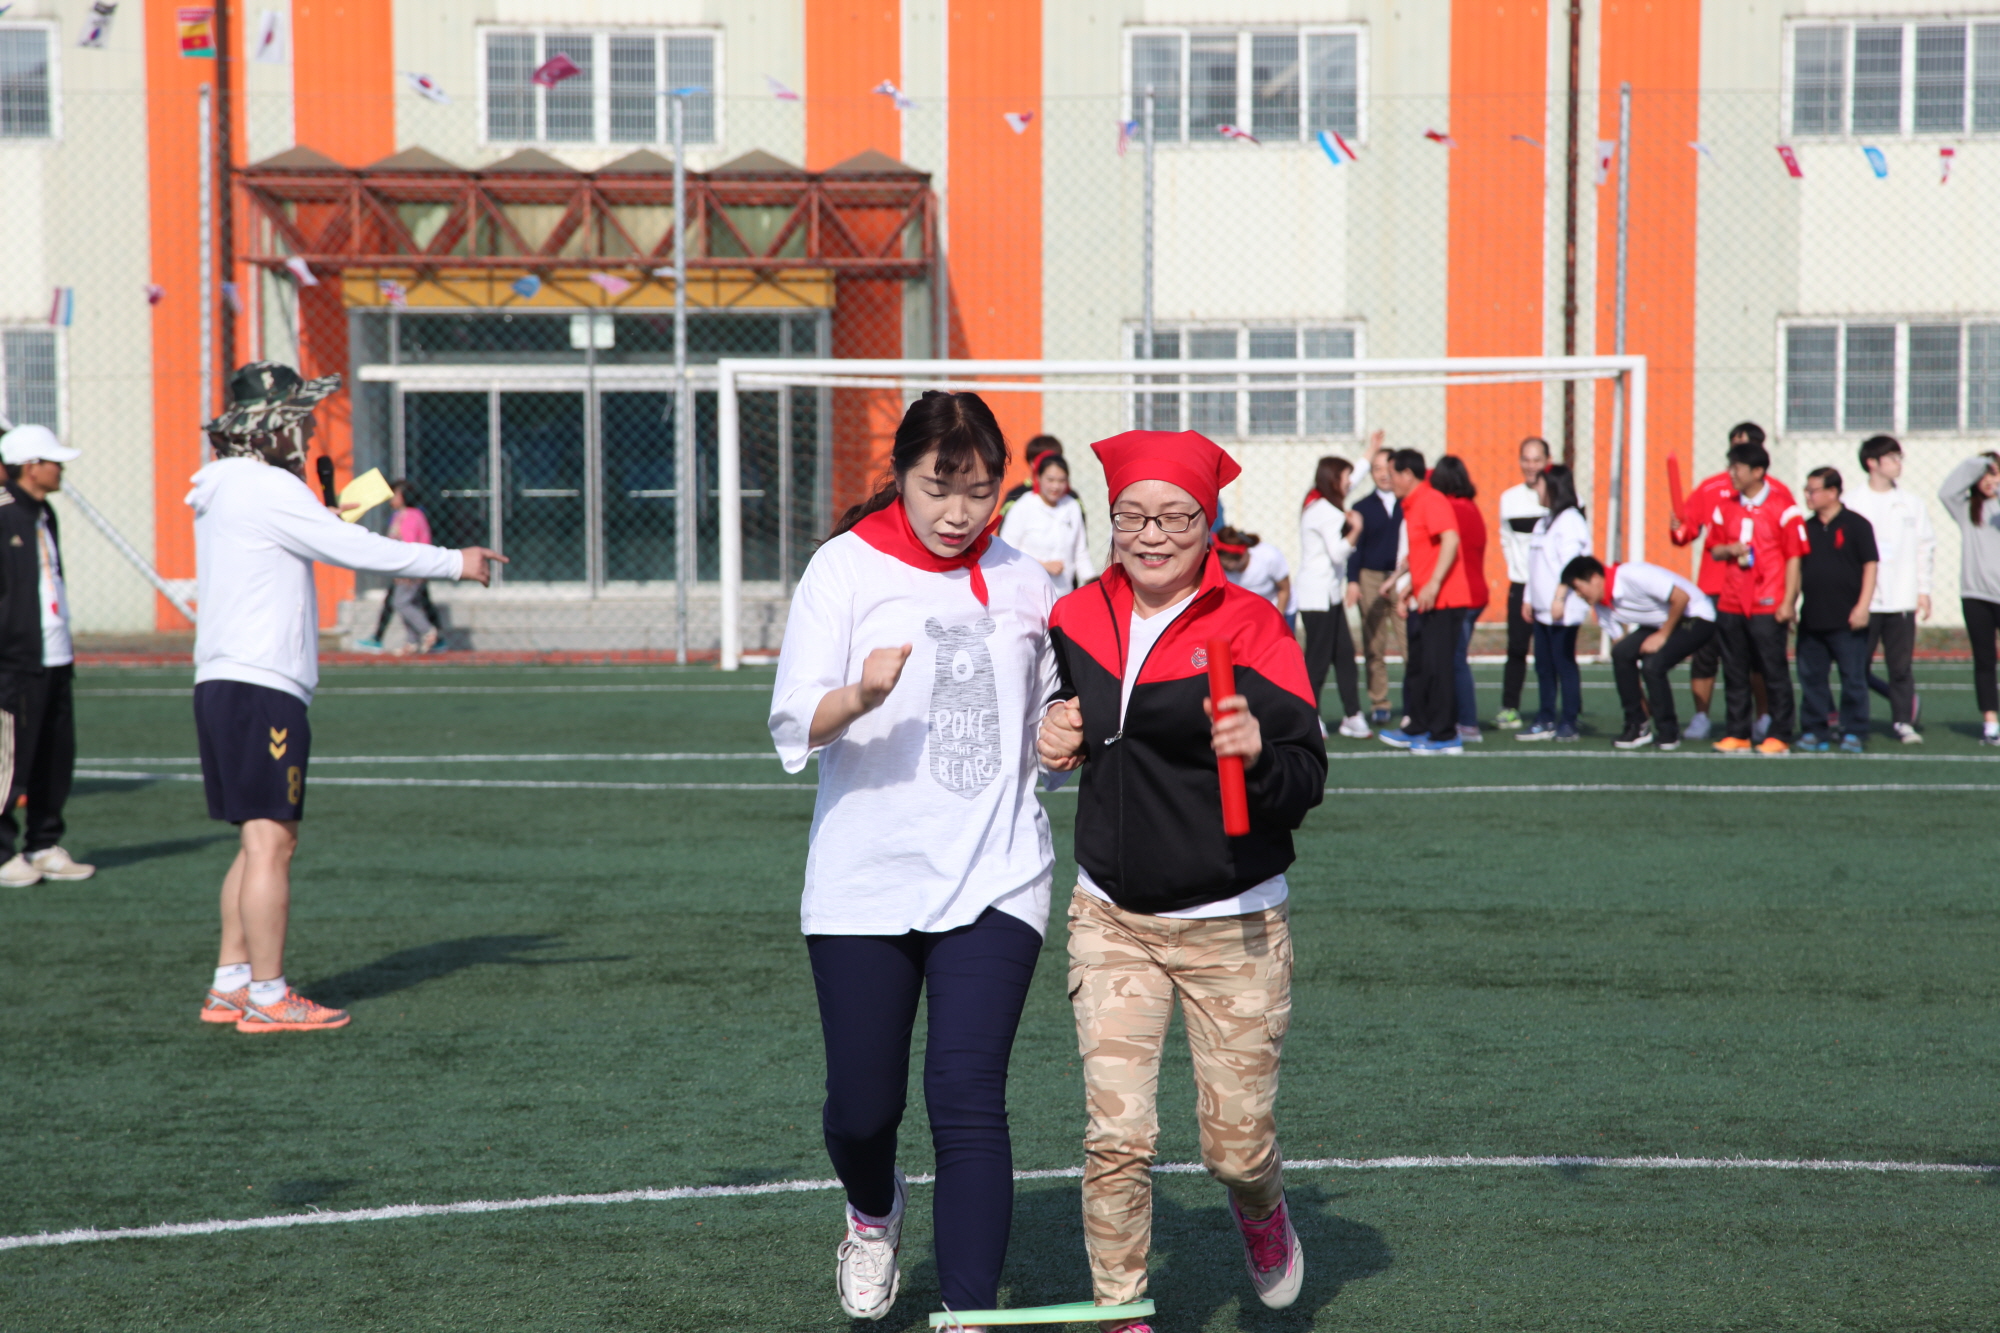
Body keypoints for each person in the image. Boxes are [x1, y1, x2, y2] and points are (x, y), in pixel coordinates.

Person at [768, 392, 1055, 1327]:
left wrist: (1066, 735)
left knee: (967, 1095)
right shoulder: (844, 567)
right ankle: (872, 1209)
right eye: (940, 487)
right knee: (861, 1110)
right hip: (864, 879)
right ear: (900, 475)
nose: (959, 511)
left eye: (980, 490)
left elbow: (1054, 720)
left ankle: (970, 1315)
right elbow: (794, 721)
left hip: (997, 873)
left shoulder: (1027, 581)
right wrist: (859, 694)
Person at [1037, 428, 1326, 1328]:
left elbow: (1306, 776)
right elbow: (1064, 724)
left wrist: (1260, 755)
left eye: (1175, 517)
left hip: (1234, 923)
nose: (1152, 534)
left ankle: (1262, 1207)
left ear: (1209, 524)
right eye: (1133, 516)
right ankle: (1121, 1311)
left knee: (1235, 1148)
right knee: (1116, 1136)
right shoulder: (1075, 616)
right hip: (1112, 916)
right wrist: (1054, 734)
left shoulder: (1254, 626)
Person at [192, 362, 504, 1034]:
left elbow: (309, 534)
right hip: (261, 683)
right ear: (270, 427)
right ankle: (268, 996)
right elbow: (353, 547)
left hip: (226, 682)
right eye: (299, 420)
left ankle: (231, 983)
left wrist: (320, 515)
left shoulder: (228, 486)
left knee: (256, 840)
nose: (308, 433)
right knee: (272, 842)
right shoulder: (266, 486)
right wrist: (456, 560)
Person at [0, 424, 93, 887]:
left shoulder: (44, 513)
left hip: (54, 655)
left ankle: (43, 843)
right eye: (54, 461)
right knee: (9, 761)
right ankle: (2, 853)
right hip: (14, 661)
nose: (61, 470)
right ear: (31, 466)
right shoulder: (3, 512)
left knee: (54, 756)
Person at [1671, 423, 1788, 741]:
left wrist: (1786, 595)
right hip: (1715, 587)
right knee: (1706, 654)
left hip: (1759, 591)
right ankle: (1702, 716)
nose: (1735, 461)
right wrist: (1678, 527)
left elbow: (1787, 547)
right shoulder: (1712, 489)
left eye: (1744, 448)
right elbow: (1687, 532)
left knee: (1759, 657)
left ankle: (1764, 717)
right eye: (1733, 449)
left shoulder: (1777, 494)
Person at [1707, 439, 1807, 754]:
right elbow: (1714, 549)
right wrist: (1729, 549)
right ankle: (1738, 732)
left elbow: (1794, 556)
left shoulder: (1784, 507)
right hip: (1732, 600)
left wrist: (1788, 601)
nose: (1731, 474)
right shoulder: (1726, 507)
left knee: (1773, 670)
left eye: (1737, 468)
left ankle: (1780, 733)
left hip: (1768, 601)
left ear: (1758, 471)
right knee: (1734, 669)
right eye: (1730, 467)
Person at [1560, 555, 1716, 751]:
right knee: (1621, 653)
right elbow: (1623, 654)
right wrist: (1640, 702)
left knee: (1653, 664)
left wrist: (1663, 635)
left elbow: (1681, 597)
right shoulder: (1601, 606)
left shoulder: (1633, 575)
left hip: (1697, 616)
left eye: (1578, 588)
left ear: (1594, 578)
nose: (1578, 595)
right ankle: (1637, 725)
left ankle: (1668, 732)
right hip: (1660, 623)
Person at [1376, 451, 1471, 754]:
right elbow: (1423, 553)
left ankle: (1445, 735)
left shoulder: (1430, 500)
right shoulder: (1412, 504)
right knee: (1422, 665)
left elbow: (1450, 540)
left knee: (1438, 667)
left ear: (1407, 474)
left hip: (1446, 599)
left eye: (1392, 473)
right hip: (1427, 598)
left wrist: (1434, 583)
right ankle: (1419, 725)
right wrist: (1410, 587)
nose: (1388, 479)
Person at [1844, 435, 1934, 742]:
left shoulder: (1912, 504)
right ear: (1872, 462)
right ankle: (1854, 721)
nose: (1899, 464)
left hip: (1901, 597)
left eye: (1899, 458)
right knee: (1857, 666)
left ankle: (1903, 721)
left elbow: (1925, 547)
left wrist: (1923, 590)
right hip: (1864, 601)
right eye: (1892, 458)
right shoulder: (1852, 502)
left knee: (1900, 666)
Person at [1793, 467, 1878, 753]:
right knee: (1812, 678)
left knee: (1853, 678)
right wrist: (1790, 604)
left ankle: (1853, 730)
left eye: (1813, 490)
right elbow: (1795, 569)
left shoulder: (1857, 525)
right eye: (1807, 490)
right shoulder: (1805, 528)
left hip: (1847, 618)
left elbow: (1870, 566)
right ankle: (1815, 730)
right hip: (1812, 617)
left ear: (1832, 492)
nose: (1808, 496)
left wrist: (1863, 606)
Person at [1297, 457, 1368, 738]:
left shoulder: (1323, 502)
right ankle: (1309, 716)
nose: (1350, 483)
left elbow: (1353, 480)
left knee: (1345, 655)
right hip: (1316, 597)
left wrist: (1369, 454)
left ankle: (1353, 715)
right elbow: (1338, 553)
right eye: (1345, 477)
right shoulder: (1325, 510)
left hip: (1329, 596)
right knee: (1318, 659)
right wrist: (1356, 530)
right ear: (1333, 480)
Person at [1519, 464, 1590, 741]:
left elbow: (1572, 566)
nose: (1536, 489)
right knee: (1543, 666)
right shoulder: (1544, 521)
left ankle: (1569, 720)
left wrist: (1559, 597)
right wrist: (1529, 598)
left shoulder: (1571, 520)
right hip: (1541, 609)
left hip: (1562, 608)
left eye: (1540, 484)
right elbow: (1535, 565)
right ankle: (1546, 717)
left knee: (1563, 663)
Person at [1937, 451, 2000, 745]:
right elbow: (1946, 491)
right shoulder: (1966, 509)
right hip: (1976, 596)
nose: (1989, 480)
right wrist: (1979, 464)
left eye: (1994, 474)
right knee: (1984, 660)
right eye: (1984, 475)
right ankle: (1991, 724)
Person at [1429, 454, 1489, 743]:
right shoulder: (1470, 507)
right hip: (1477, 591)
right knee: (1455, 657)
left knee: (1454, 659)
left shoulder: (1450, 508)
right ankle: (1460, 718)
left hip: (1463, 594)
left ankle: (1467, 721)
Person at [1345, 436, 1404, 725]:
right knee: (1374, 645)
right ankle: (1380, 702)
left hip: (1404, 579)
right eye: (1377, 468)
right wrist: (1353, 581)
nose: (1383, 473)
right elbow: (1354, 548)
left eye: (1388, 467)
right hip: (1370, 577)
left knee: (1411, 643)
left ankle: (1417, 702)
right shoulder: (1362, 506)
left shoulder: (1410, 502)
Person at [1494, 436, 1548, 729]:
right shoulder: (1509, 498)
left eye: (1537, 459)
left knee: (1552, 651)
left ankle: (1555, 711)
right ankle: (1510, 707)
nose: (1531, 466)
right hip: (1520, 584)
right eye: (1526, 459)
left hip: (1551, 588)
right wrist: (1520, 575)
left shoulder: (1564, 498)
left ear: (1547, 462)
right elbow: (1506, 540)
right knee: (1516, 647)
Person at [998, 446, 1096, 594]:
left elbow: (1080, 552)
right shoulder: (1023, 506)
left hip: (1063, 595)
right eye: (1050, 480)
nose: (1055, 486)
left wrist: (1093, 581)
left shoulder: (1072, 506)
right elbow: (1006, 552)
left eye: (1061, 480)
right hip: (1028, 593)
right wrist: (1042, 565)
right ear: (1037, 478)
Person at [378, 481, 445, 655]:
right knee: (411, 602)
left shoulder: (410, 516)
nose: (391, 498)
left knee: (400, 602)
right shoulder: (400, 515)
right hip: (407, 567)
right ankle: (411, 641)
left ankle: (427, 630)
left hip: (412, 567)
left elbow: (409, 544)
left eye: (395, 494)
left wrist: (406, 568)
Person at [1215, 526, 1291, 618]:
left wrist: (1278, 618)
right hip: (1248, 613)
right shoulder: (1217, 564)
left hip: (1277, 608)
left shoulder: (1269, 556)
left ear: (1244, 553)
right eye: (1224, 564)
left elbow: (1284, 590)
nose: (1228, 567)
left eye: (1230, 563)